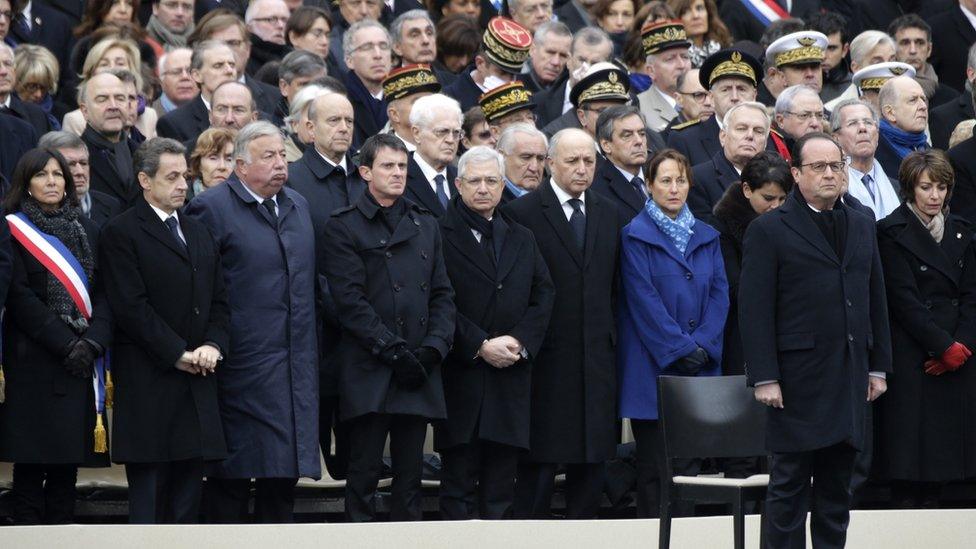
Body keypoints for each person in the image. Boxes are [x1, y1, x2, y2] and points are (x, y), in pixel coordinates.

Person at [739, 132, 892, 549]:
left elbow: (873, 296)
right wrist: (765, 376)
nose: (830, 174)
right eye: (819, 167)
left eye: (836, 166)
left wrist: (877, 364)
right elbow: (754, 310)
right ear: (795, 173)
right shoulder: (769, 229)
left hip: (848, 374)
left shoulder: (861, 221)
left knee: (837, 486)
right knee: (788, 487)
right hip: (795, 380)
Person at [184, 121, 320, 523]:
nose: (281, 164)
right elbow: (201, 289)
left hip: (296, 363)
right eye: (269, 157)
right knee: (234, 477)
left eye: (283, 155)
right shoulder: (211, 207)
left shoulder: (297, 204)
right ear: (240, 166)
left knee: (284, 478)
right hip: (240, 364)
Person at [322, 133, 455, 522]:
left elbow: (443, 294)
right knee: (362, 474)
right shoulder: (344, 226)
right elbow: (349, 302)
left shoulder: (425, 222)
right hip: (371, 367)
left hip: (419, 367)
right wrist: (392, 350)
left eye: (402, 166)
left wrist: (433, 349)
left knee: (410, 479)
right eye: (388, 166)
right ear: (365, 172)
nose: (398, 173)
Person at [98, 137, 227, 524]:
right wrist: (177, 353)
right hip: (151, 382)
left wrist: (213, 344)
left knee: (189, 495)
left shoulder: (199, 230)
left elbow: (220, 300)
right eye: (171, 177)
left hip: (197, 382)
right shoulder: (121, 231)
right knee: (151, 501)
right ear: (144, 180)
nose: (183, 185)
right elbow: (131, 307)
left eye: (185, 176)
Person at [503, 128, 623, 519]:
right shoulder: (521, 213)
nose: (581, 169)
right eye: (572, 161)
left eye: (589, 161)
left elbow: (615, 288)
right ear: (550, 163)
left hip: (596, 362)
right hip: (545, 361)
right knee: (539, 466)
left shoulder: (609, 213)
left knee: (591, 465)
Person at [436, 145, 555, 520]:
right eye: (475, 181)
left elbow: (543, 293)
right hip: (464, 377)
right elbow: (439, 302)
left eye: (492, 180)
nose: (484, 188)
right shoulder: (437, 233)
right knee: (458, 487)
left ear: (503, 185)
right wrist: (479, 344)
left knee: (502, 490)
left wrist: (519, 341)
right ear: (458, 184)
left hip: (511, 378)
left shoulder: (521, 235)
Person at [0, 147, 111, 525]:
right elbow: (17, 295)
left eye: (58, 174)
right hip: (35, 360)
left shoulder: (89, 229)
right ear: (25, 183)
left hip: (81, 363)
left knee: (67, 465)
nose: (52, 181)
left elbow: (106, 295)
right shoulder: (12, 229)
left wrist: (92, 342)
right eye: (42, 175)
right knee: (32, 465)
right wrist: (65, 343)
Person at [617, 147, 729, 517]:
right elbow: (643, 300)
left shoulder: (707, 235)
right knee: (656, 467)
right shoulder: (634, 236)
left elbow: (719, 295)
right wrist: (680, 347)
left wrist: (703, 344)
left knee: (691, 467)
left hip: (700, 366)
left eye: (680, 180)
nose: (674, 188)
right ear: (649, 185)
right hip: (654, 367)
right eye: (665, 180)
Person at [874, 149, 976, 509]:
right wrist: (940, 346)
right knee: (913, 459)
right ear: (909, 189)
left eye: (942, 188)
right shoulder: (891, 232)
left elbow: (970, 294)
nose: (935, 196)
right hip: (915, 356)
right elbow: (904, 300)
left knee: (948, 462)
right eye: (926, 187)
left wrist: (962, 345)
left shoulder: (963, 232)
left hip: (958, 358)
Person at [711, 151, 792, 377]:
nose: (776, 206)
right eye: (768, 199)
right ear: (747, 190)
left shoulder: (791, 221)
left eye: (782, 199)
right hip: (744, 335)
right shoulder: (724, 224)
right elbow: (737, 287)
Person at [667, 48, 765, 167]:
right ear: (711, 98)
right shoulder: (685, 139)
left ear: (754, 96)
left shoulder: (769, 137)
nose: (734, 97)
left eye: (741, 89)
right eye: (726, 90)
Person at [689, 101, 770, 224]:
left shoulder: (775, 178)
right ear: (723, 136)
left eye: (758, 131)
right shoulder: (697, 178)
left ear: (765, 143)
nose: (750, 135)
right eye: (741, 129)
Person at [442, 17, 532, 113]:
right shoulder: (449, 99)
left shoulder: (526, 94)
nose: (509, 82)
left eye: (513, 75)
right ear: (480, 63)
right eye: (502, 73)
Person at [532, 26, 613, 130]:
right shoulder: (538, 102)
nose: (586, 68)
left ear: (607, 67)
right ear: (569, 60)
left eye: (595, 63)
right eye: (581, 60)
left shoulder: (622, 102)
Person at [79, 72, 141, 206]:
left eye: (120, 98)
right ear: (85, 111)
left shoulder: (144, 153)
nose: (113, 106)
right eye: (102, 99)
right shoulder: (73, 160)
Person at [831, 98, 899, 221]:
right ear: (836, 139)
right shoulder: (830, 187)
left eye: (868, 122)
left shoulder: (898, 187)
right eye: (852, 123)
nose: (863, 128)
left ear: (877, 135)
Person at [157, 40, 238, 142]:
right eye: (218, 65)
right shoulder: (174, 123)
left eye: (232, 65)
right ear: (197, 75)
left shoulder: (260, 117)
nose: (229, 70)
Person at [37, 131, 122, 227]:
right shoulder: (34, 213)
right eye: (70, 164)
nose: (80, 171)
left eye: (83, 163)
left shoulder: (111, 205)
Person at [404, 93, 462, 217]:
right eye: (442, 132)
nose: (451, 140)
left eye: (456, 133)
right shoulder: (399, 176)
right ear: (417, 133)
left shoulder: (464, 178)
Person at [592, 105, 650, 221]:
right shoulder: (595, 190)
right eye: (627, 135)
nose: (639, 141)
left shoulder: (658, 172)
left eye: (642, 134)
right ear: (606, 145)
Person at [888, 14, 959, 110]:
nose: (913, 50)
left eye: (920, 43)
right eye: (905, 43)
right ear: (893, 49)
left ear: (929, 49)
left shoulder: (951, 98)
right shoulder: (884, 94)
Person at [342, 19, 393, 150]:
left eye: (383, 46)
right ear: (349, 60)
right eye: (367, 47)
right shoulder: (340, 99)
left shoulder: (403, 97)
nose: (378, 55)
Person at [635, 20, 691, 133]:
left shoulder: (706, 100)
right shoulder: (638, 109)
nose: (681, 65)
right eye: (670, 59)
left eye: (685, 57)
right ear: (651, 71)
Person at [824, 30, 897, 111]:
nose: (887, 68)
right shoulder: (833, 110)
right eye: (878, 62)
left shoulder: (909, 103)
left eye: (892, 61)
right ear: (856, 68)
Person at [876, 76, 930, 181]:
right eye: (913, 100)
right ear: (890, 113)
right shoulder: (873, 153)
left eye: (923, 99)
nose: (923, 106)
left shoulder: (929, 151)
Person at [0, 43, 56, 137]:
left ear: (14, 70)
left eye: (8, 64)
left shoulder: (37, 115)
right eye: (32, 87)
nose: (4, 71)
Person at [382, 63, 441, 151]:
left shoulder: (448, 154)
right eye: (417, 101)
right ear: (394, 115)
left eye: (430, 100)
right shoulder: (375, 157)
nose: (427, 106)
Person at [11, 44, 66, 131]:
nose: (39, 94)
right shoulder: (7, 116)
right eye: (32, 87)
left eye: (44, 87)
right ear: (15, 81)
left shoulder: (61, 115)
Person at [667, 0, 730, 68]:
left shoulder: (724, 48)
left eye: (699, 8)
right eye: (686, 11)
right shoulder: (674, 57)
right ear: (676, 18)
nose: (696, 16)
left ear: (708, 13)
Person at [497, 123, 547, 202]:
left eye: (540, 158)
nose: (534, 168)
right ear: (501, 156)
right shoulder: (489, 201)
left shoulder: (552, 197)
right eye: (526, 157)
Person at [519, 21, 572, 93]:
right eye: (550, 52)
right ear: (532, 50)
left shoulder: (569, 87)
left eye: (563, 56)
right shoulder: (512, 81)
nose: (556, 62)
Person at [245, 0, 291, 76]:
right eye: (271, 19)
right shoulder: (243, 61)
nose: (281, 26)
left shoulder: (295, 57)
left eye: (285, 20)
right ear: (250, 27)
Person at [187, 127, 235, 199]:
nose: (222, 166)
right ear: (198, 164)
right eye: (213, 158)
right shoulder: (180, 200)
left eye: (229, 159)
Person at [153, 48, 199, 114]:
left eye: (190, 71)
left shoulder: (213, 113)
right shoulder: (150, 117)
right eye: (176, 72)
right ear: (161, 82)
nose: (185, 77)